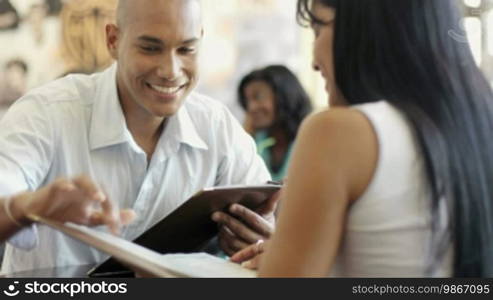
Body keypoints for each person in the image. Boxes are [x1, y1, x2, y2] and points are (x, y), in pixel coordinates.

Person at [0, 0, 276, 274]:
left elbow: (271, 227)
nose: (171, 70)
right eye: (150, 48)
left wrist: (260, 242)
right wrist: (29, 206)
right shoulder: (46, 113)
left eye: (186, 49)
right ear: (113, 41)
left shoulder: (216, 127)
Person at [231, 0, 493, 277]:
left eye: (319, 29)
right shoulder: (479, 127)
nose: (313, 61)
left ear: (369, 31)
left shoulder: (337, 132)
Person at [238, 65, 312, 182]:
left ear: (285, 96)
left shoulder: (311, 139)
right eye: (247, 101)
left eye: (258, 97)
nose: (251, 108)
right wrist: (245, 138)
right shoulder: (257, 141)